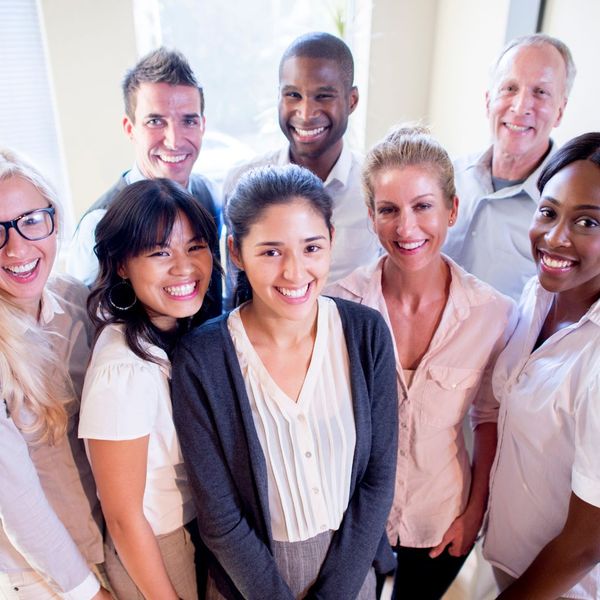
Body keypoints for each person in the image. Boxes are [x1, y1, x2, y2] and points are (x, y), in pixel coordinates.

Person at [172, 165, 397, 599]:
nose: (295, 273)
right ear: (236, 252)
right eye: (272, 252)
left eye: (311, 247)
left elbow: (378, 478)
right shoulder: (203, 360)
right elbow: (220, 518)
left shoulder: (366, 335)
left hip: (349, 574)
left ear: (331, 238)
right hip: (250, 582)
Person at [327, 126, 516, 599]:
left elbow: (489, 419)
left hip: (441, 521)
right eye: (388, 210)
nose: (406, 228)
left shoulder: (492, 313)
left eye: (423, 206)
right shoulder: (339, 305)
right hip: (349, 520)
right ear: (370, 216)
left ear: (451, 210)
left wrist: (474, 514)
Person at [78, 178, 219, 600]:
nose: (183, 267)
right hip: (154, 547)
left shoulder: (173, 335)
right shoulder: (123, 370)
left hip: (188, 531)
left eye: (194, 247)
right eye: (159, 252)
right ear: (121, 264)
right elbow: (123, 517)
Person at [484, 132, 600, 599]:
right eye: (548, 212)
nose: (554, 237)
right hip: (510, 560)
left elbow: (587, 541)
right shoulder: (539, 293)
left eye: (588, 223)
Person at [0, 149, 107, 598]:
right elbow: (15, 498)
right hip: (45, 579)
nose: (18, 247)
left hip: (103, 546)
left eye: (31, 220)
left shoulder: (75, 302)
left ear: (54, 220)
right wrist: (87, 591)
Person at [66, 47, 222, 314]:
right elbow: (84, 327)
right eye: (155, 121)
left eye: (188, 121)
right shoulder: (99, 223)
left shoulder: (211, 195)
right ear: (130, 128)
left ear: (203, 125)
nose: (174, 140)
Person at [222, 32, 380, 293]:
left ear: (351, 101)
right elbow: (236, 288)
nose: (306, 114)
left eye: (323, 96)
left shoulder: (376, 188)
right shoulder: (242, 181)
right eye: (293, 95)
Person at [443, 33, 576, 300]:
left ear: (560, 111)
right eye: (510, 88)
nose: (521, 106)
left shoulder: (573, 209)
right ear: (488, 100)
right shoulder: (446, 177)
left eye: (540, 92)